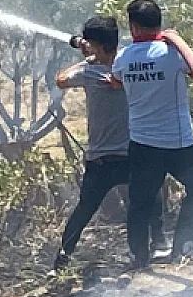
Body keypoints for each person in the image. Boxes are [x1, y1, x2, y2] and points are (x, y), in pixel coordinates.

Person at [109, 0, 193, 268]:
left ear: (133, 28)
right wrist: (180, 43)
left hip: (143, 145)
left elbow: (116, 81)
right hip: (180, 144)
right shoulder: (173, 54)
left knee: (140, 203)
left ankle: (139, 256)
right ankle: (182, 245)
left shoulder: (123, 57)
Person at [52, 16, 138, 271]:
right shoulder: (129, 65)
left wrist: (85, 58)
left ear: (96, 46)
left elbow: (61, 79)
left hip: (100, 158)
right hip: (130, 152)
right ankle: (144, 252)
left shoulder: (89, 72)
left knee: (84, 210)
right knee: (140, 204)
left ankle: (62, 258)